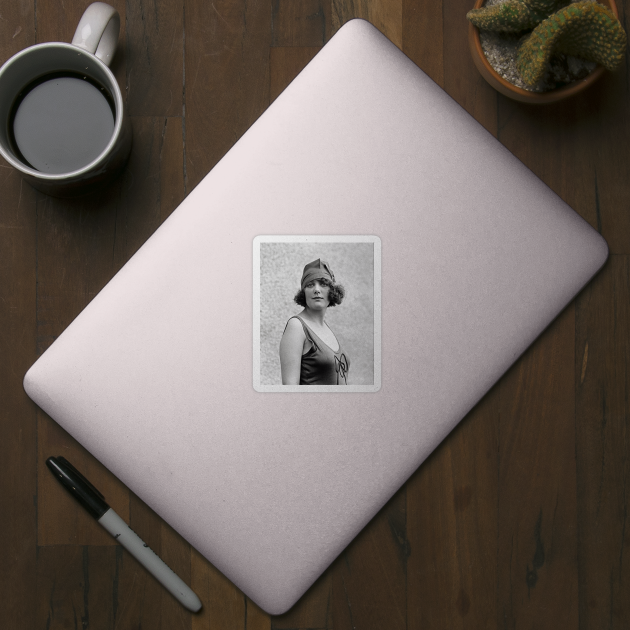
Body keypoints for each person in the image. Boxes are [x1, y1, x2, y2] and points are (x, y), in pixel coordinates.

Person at [279, 259, 350, 385]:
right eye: (310, 285)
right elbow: (290, 391)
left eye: (323, 284)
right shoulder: (296, 326)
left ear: (332, 291)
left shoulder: (326, 328)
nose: (317, 290)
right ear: (303, 292)